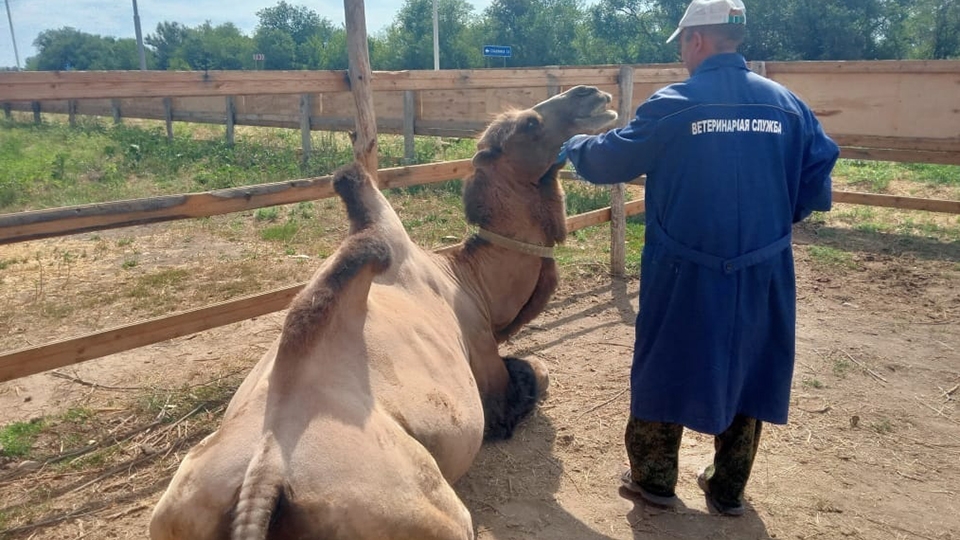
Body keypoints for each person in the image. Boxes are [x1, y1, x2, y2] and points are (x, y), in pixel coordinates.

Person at [557, 0, 840, 516]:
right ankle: (728, 489)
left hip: (682, 268)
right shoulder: (789, 106)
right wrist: (767, 225)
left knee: (664, 362)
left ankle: (655, 481)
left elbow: (611, 158)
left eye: (683, 44)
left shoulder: (675, 104)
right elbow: (815, 186)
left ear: (697, 41)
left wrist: (574, 145)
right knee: (751, 365)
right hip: (763, 269)